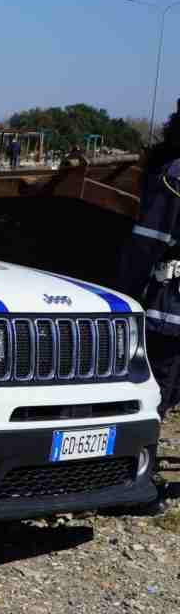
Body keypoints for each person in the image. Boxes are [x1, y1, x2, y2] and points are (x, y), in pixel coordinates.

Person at [118, 100, 180, 419]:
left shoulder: (173, 178)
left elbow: (147, 244)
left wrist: (122, 297)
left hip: (168, 311)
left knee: (154, 392)